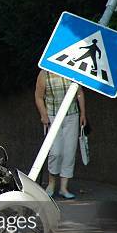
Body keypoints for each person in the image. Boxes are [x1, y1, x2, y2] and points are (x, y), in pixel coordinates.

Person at [34, 70, 87, 199]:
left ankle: (64, 188)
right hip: (53, 116)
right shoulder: (44, 74)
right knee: (55, 152)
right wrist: (43, 115)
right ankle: (51, 184)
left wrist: (83, 114)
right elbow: (39, 96)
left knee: (69, 152)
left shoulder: (71, 71)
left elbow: (79, 93)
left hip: (72, 116)